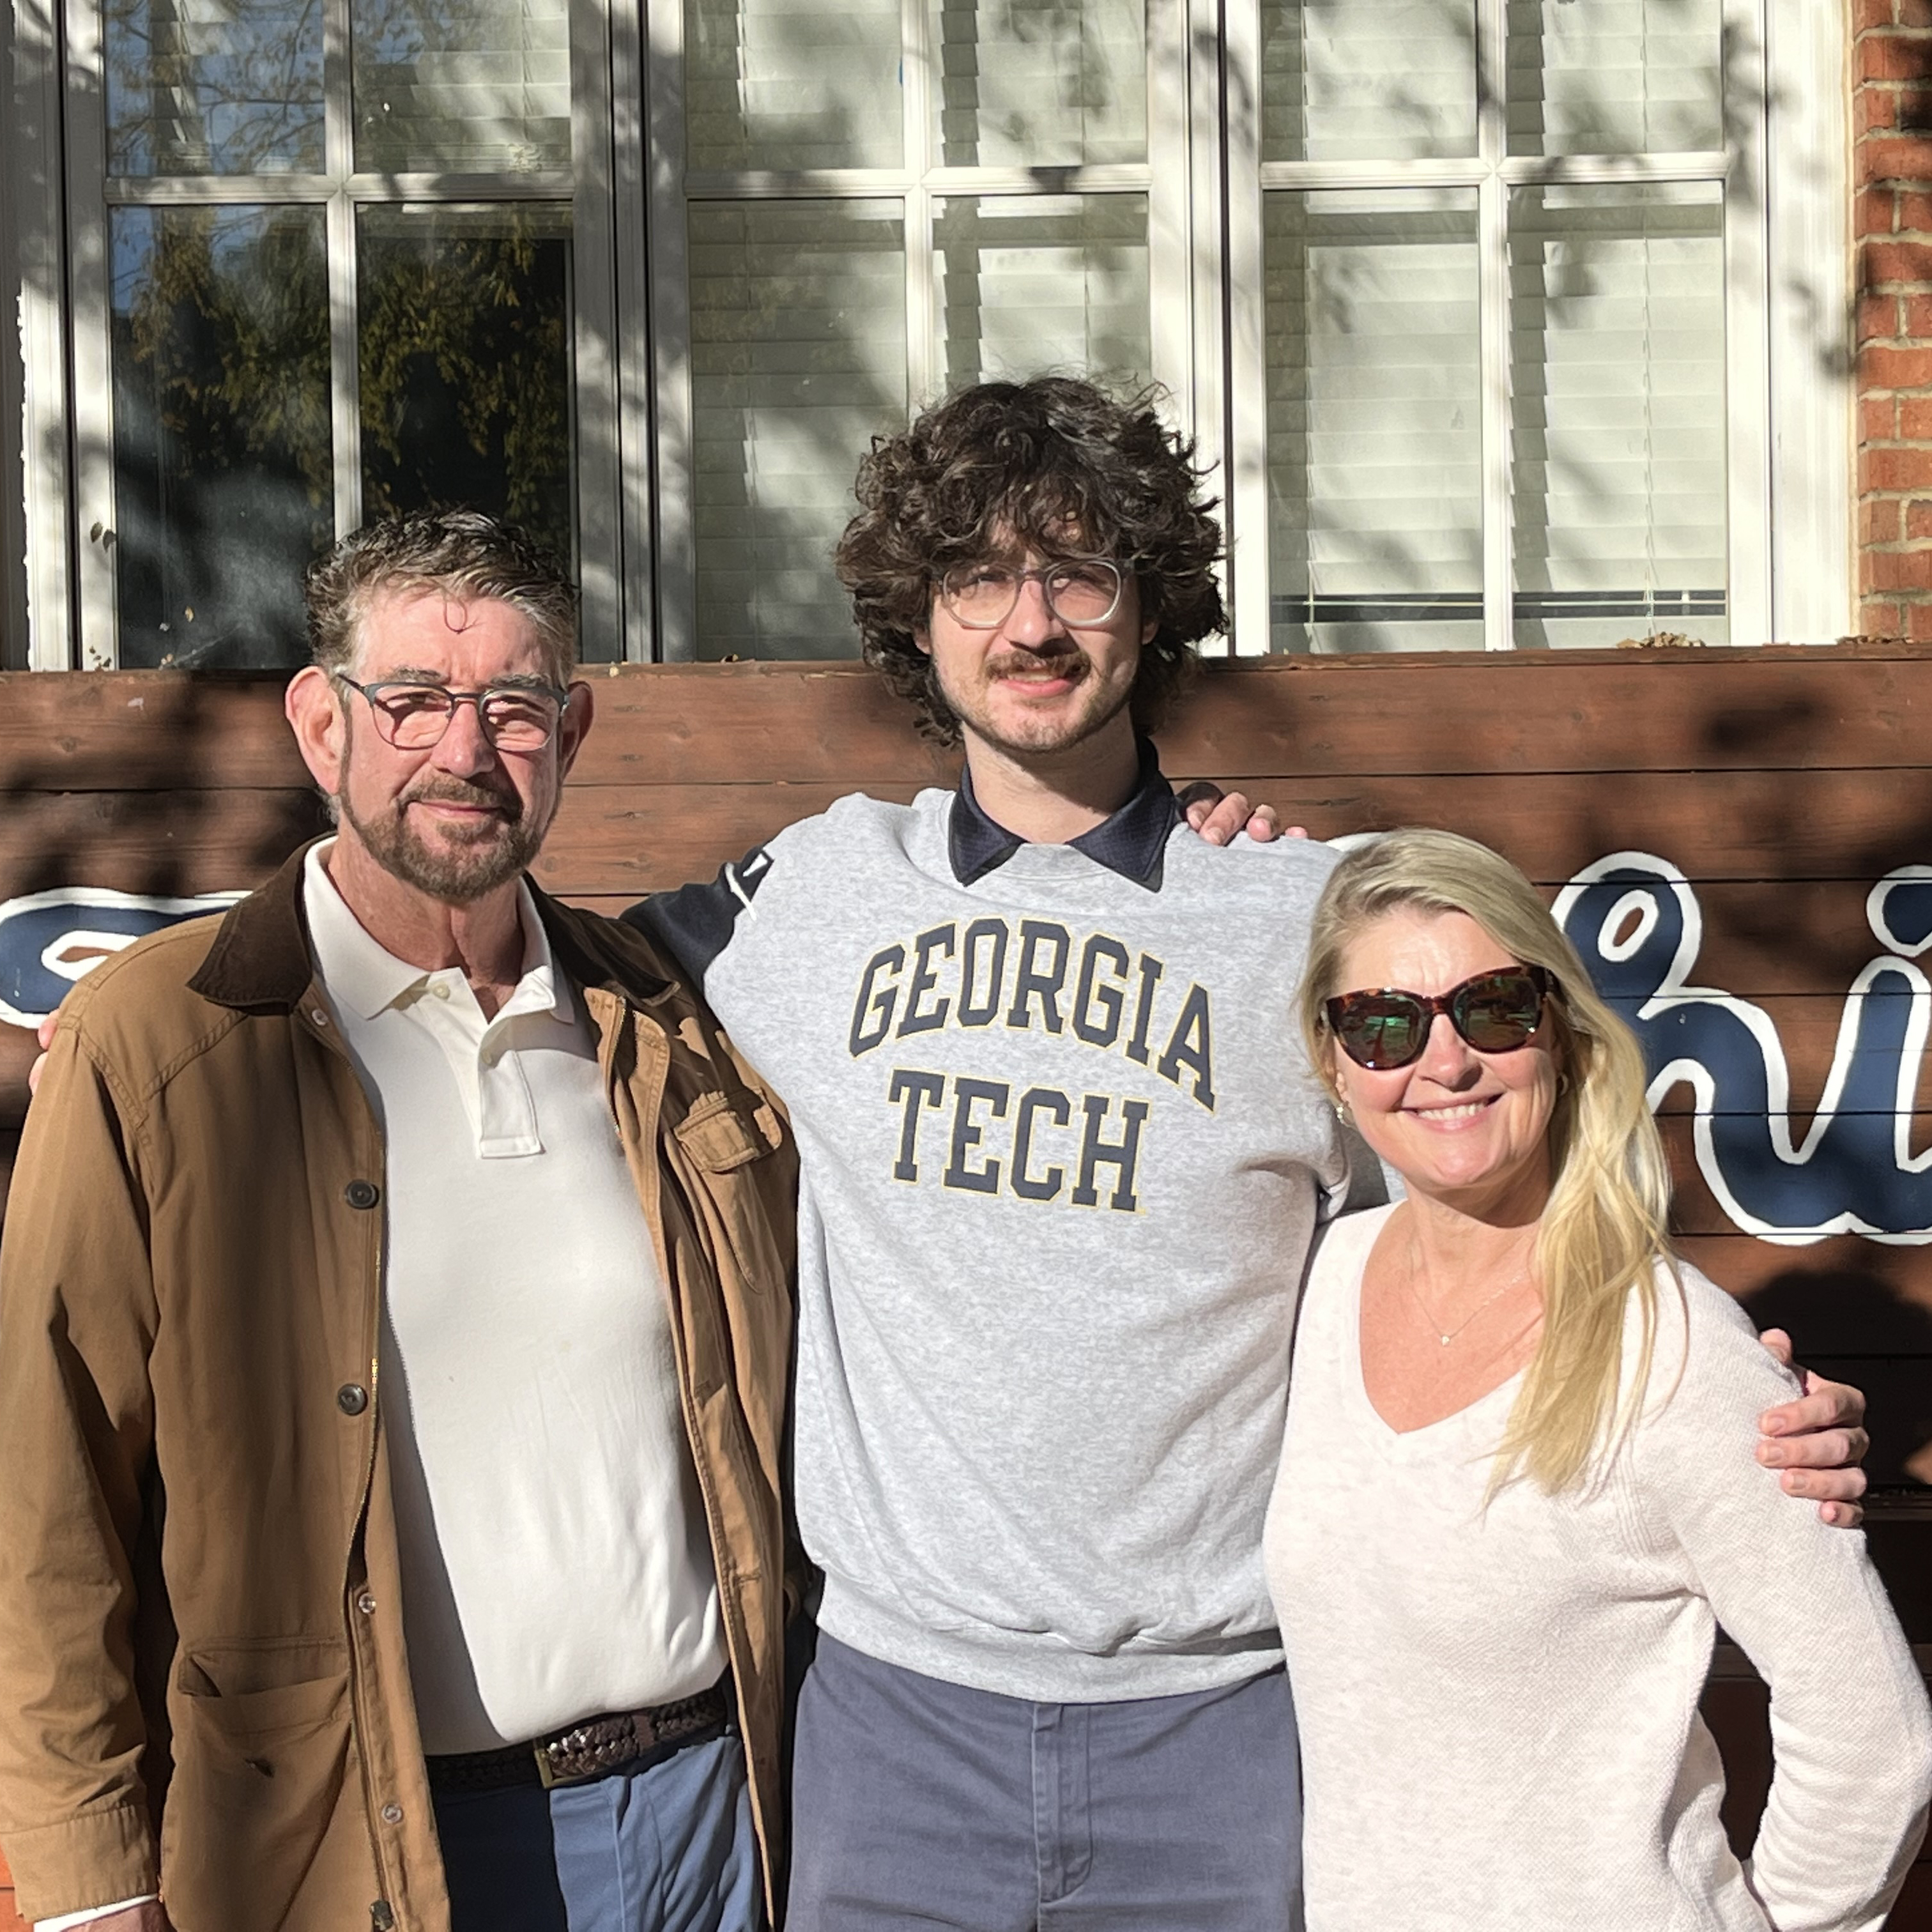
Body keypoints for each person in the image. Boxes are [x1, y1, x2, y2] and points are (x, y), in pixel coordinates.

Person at [625, 376, 1873, 1930]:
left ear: (1153, 605)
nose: (1031, 625)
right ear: (917, 620)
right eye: (976, 582)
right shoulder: (814, 894)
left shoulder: (1305, 913)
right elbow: (543, 994)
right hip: (895, 1722)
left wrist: (1728, 1402)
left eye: (1079, 572)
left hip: (1225, 1731)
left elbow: (1517, 1175)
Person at [0, 510, 797, 1932]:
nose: (465, 752)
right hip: (369, 1852)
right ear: (323, 725)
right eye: (415, 703)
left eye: (514, 706)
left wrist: (1211, 830)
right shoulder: (161, 1045)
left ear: (577, 726)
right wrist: (87, 1890)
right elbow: (50, 1492)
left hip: (712, 1822)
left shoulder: (666, 1027)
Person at [1269, 827, 1932, 1930]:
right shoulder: (1321, 1285)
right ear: (1333, 1063)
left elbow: (1875, 1738)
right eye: (1382, 1025)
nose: (1444, 1064)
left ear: (1563, 1038)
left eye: (1492, 1009)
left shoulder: (1669, 1348)